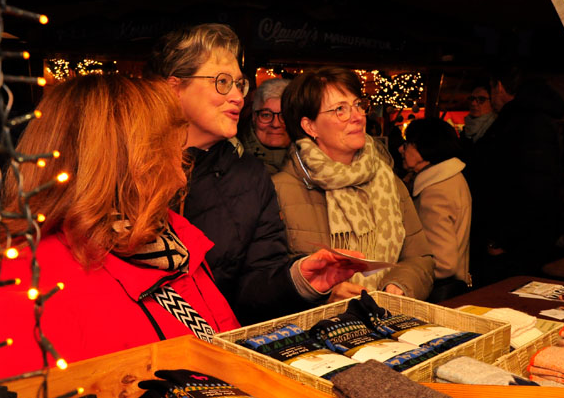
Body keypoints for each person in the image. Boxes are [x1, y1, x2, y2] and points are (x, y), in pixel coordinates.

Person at [0, 74, 241, 390]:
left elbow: (222, 351)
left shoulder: (174, 245)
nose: (181, 175)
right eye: (170, 152)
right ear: (130, 164)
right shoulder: (9, 298)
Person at [144, 24, 364, 325]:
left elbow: (253, 286)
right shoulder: (125, 167)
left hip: (217, 341)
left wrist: (298, 281)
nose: (238, 96)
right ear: (174, 88)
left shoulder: (250, 176)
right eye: (222, 82)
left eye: (239, 84)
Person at [273, 67, 435, 302]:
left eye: (358, 105)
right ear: (310, 127)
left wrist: (399, 285)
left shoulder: (388, 180)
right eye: (340, 109)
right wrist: (324, 295)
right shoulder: (280, 190)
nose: (358, 116)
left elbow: (420, 258)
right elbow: (271, 282)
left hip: (386, 315)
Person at [468, 67, 564, 287]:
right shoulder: (529, 120)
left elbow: (530, 186)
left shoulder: (521, 123)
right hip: (524, 239)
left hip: (516, 244)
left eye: (490, 90)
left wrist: (503, 239)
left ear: (499, 87)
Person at [401, 118, 472, 302]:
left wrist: (402, 273)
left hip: (437, 295)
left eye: (407, 144)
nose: (401, 149)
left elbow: (443, 263)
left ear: (425, 149)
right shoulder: (451, 178)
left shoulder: (434, 191)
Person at [239, 78, 291, 174]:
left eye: (284, 116)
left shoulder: (312, 160)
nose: (275, 124)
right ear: (254, 117)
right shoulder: (233, 159)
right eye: (266, 115)